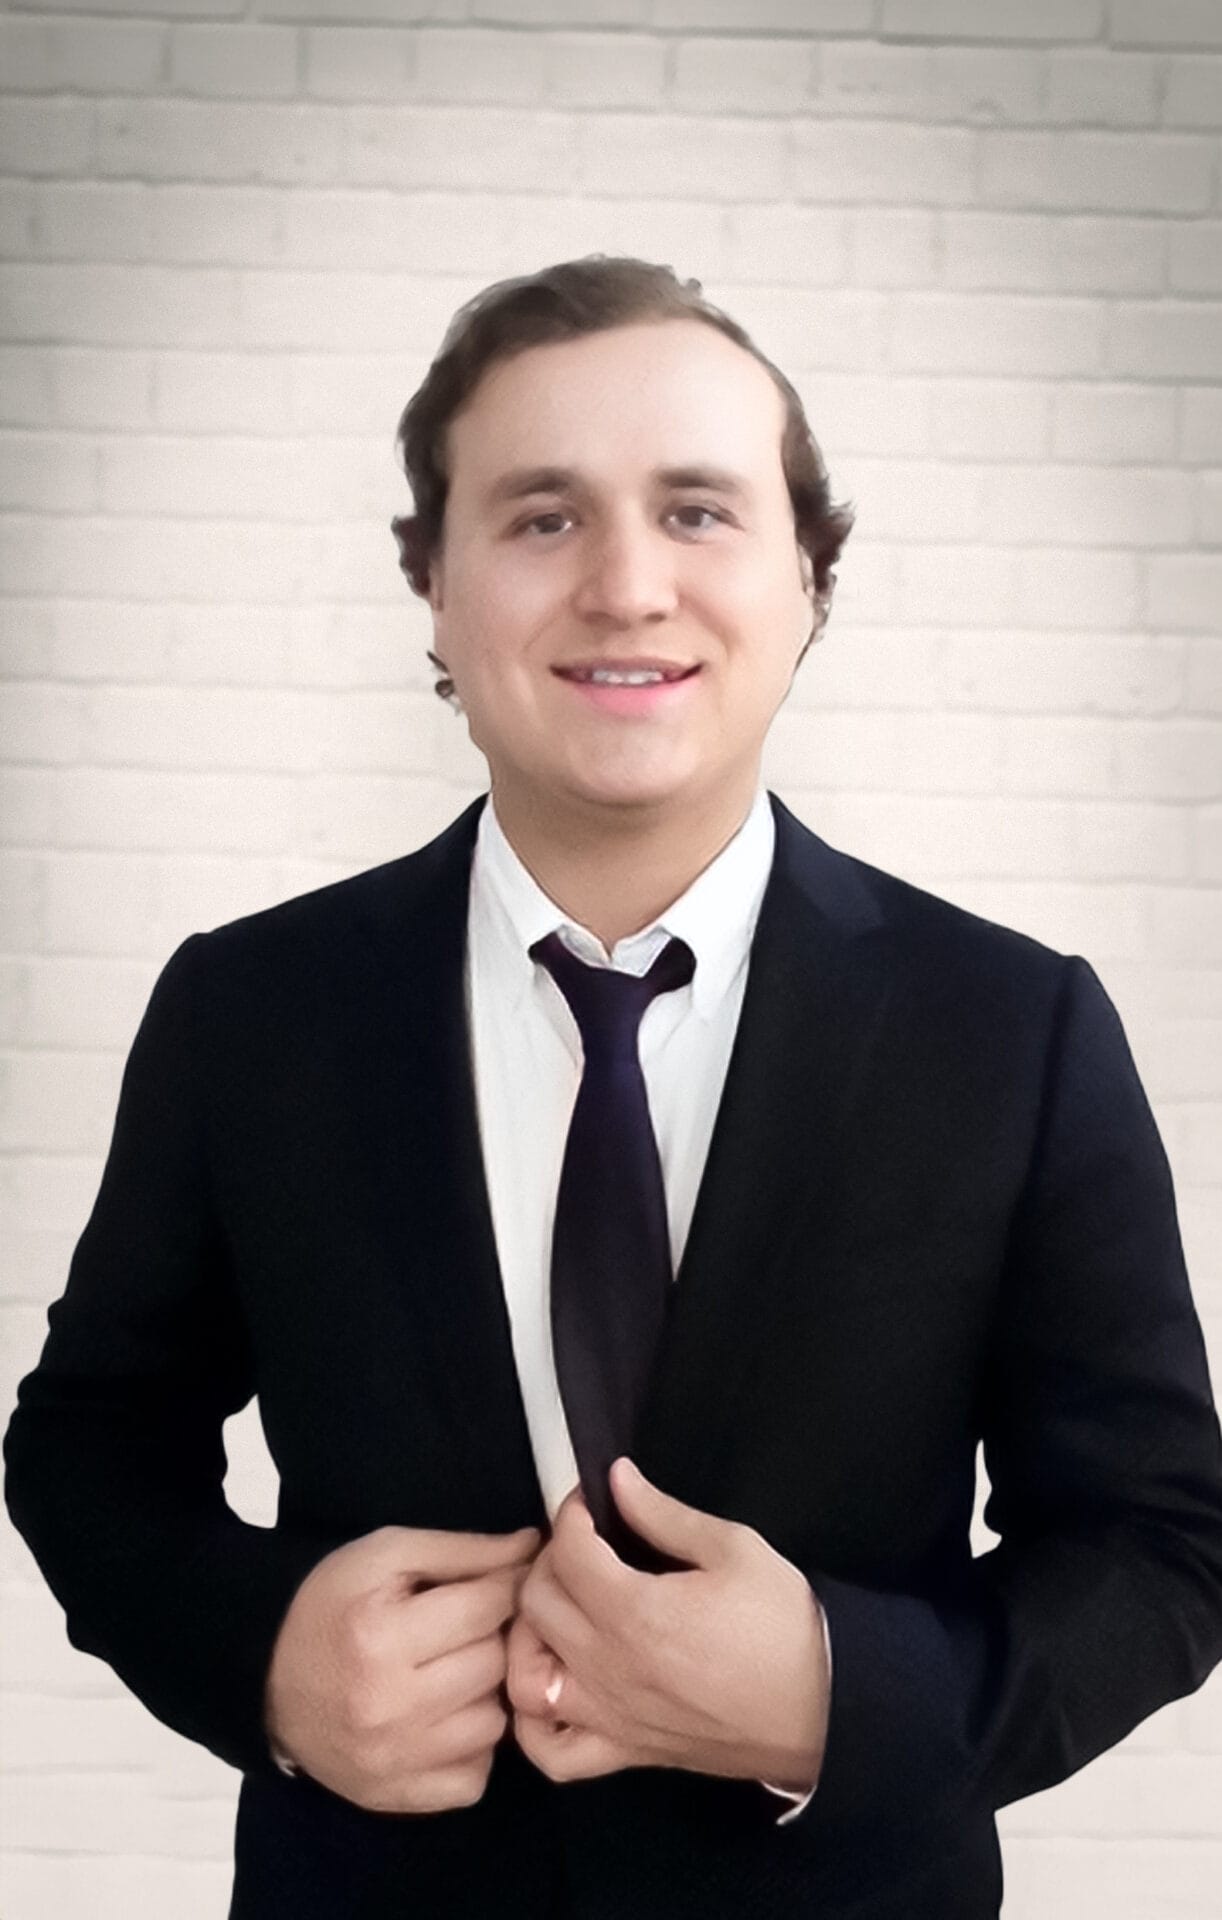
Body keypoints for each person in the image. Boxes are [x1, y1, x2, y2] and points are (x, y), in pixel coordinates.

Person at [5, 255, 1222, 1920]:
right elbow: (88, 1443)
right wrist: (266, 1663)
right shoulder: (249, 1012)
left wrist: (835, 1699)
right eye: (540, 517)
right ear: (431, 581)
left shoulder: (1016, 1034)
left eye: (699, 511)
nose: (628, 586)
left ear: (810, 574)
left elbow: (1159, 1547)